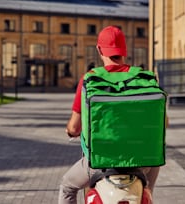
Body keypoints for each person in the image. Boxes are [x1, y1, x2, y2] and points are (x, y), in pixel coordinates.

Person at [58, 25, 167, 204]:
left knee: (67, 187)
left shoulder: (90, 79)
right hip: (144, 162)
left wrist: (71, 131)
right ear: (125, 50)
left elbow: (74, 127)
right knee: (146, 190)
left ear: (99, 49)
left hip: (99, 163)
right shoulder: (145, 79)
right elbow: (163, 123)